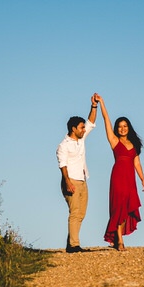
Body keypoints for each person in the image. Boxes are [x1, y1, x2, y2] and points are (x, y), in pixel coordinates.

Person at [96, 94, 144, 251]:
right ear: (116, 129)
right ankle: (119, 240)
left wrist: (143, 179)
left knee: (127, 207)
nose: (122, 128)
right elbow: (106, 120)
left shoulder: (134, 144)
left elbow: (136, 162)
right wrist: (102, 103)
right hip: (118, 176)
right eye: (120, 126)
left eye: (125, 126)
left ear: (129, 127)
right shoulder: (114, 141)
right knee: (118, 206)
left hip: (130, 178)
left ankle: (118, 238)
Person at [56, 93, 100, 252]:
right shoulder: (63, 145)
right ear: (73, 129)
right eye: (81, 127)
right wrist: (67, 182)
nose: (83, 129)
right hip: (71, 180)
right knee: (75, 213)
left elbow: (91, 122)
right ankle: (74, 245)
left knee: (81, 213)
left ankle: (71, 243)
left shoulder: (80, 139)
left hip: (82, 180)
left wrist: (94, 105)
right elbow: (63, 165)